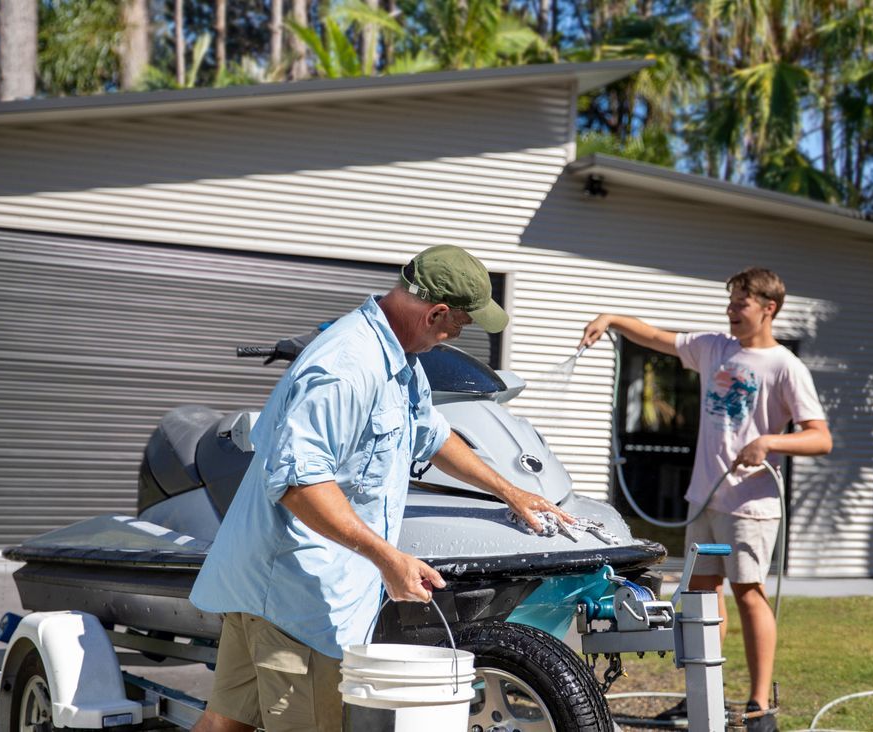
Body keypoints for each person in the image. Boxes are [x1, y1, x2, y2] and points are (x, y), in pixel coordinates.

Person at [190, 245, 575, 732]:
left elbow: (431, 435)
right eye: (460, 324)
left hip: (272, 586)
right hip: (298, 598)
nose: (458, 335)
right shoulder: (346, 368)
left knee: (226, 724)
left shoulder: (397, 356)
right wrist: (387, 559)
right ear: (436, 312)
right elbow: (299, 484)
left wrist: (510, 490)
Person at [579, 267, 832, 732]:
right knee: (700, 595)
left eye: (741, 303)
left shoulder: (784, 367)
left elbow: (820, 439)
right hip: (706, 499)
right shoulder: (715, 347)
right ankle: (705, 693)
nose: (731, 310)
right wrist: (611, 318)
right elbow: (655, 335)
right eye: (731, 301)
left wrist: (770, 443)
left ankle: (759, 708)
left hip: (751, 506)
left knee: (749, 594)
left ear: (768, 308)